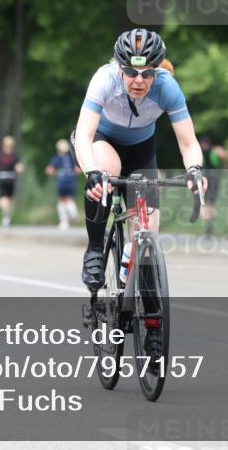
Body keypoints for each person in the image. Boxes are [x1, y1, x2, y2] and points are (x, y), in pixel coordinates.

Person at [74, 28, 205, 291]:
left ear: (157, 71)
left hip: (141, 148)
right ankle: (95, 250)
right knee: (107, 171)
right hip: (101, 139)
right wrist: (91, 172)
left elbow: (189, 142)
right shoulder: (104, 79)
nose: (138, 80)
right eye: (131, 72)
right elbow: (84, 134)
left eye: (147, 74)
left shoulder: (167, 87)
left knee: (149, 225)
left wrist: (195, 170)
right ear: (119, 68)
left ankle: (137, 277)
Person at [46, 139, 81, 230]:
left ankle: (64, 222)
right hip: (71, 180)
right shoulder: (71, 158)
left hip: (61, 181)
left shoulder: (55, 158)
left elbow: (49, 170)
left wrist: (57, 173)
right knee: (70, 199)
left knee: (62, 200)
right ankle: (73, 213)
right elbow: (78, 170)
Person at [199, 134, 228, 237]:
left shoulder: (215, 151)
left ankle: (210, 224)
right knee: (203, 201)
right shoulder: (199, 152)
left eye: (206, 143)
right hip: (204, 178)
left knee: (211, 202)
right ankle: (208, 221)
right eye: (204, 143)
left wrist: (225, 168)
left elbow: (224, 156)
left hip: (213, 179)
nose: (205, 145)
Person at [0, 136, 23, 227]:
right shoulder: (15, 156)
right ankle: (8, 217)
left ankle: (5, 216)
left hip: (2, 178)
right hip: (11, 179)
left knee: (3, 198)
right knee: (10, 199)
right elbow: (19, 169)